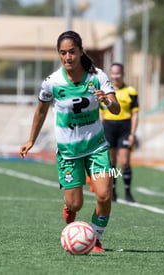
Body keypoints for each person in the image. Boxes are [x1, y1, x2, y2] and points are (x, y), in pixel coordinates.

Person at [19, 30, 120, 253]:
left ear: (80, 51)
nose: (67, 57)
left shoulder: (97, 77)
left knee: (104, 195)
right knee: (76, 204)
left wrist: (106, 100)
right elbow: (40, 112)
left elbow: (116, 107)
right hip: (68, 152)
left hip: (96, 147)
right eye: (63, 53)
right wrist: (31, 140)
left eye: (72, 52)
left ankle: (95, 238)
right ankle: (69, 206)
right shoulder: (52, 83)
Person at [100, 63, 139, 203]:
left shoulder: (131, 91)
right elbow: (101, 114)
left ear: (122, 74)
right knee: (111, 162)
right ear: (110, 74)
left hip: (125, 127)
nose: (116, 76)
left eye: (118, 73)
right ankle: (113, 190)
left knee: (125, 161)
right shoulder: (105, 92)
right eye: (113, 73)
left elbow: (135, 114)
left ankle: (128, 191)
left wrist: (132, 133)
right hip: (109, 127)